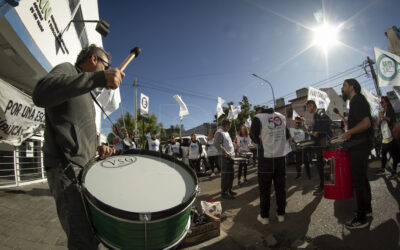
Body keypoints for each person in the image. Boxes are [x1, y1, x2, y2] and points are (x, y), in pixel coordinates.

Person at [32, 44, 124, 249]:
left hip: (84, 170)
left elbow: (78, 131)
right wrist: (99, 79)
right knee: (80, 236)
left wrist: (99, 147)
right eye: (105, 65)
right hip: (65, 169)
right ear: (94, 60)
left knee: (94, 231)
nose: (106, 69)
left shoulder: (86, 92)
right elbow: (40, 93)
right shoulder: (68, 70)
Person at [340, 78, 373, 229]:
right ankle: (366, 209)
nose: (342, 88)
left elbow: (366, 124)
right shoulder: (356, 101)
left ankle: (361, 218)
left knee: (358, 182)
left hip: (359, 146)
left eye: (344, 86)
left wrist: (349, 133)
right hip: (361, 145)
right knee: (362, 179)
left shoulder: (356, 100)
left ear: (352, 87)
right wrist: (350, 126)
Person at [250, 107, 291, 224]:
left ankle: (264, 217)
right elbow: (287, 135)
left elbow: (253, 136)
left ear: (260, 112)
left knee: (264, 189)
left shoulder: (258, 118)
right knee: (280, 188)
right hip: (280, 158)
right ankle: (281, 214)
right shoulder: (281, 117)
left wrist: (261, 139)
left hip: (266, 158)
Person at [306, 100, 332, 195]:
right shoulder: (315, 116)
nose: (307, 109)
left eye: (308, 107)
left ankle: (325, 186)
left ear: (312, 105)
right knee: (321, 166)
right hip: (319, 145)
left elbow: (328, 121)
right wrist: (312, 129)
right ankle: (325, 185)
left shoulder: (320, 112)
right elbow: (319, 127)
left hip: (323, 144)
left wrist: (318, 132)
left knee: (324, 166)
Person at [376, 96, 399, 178]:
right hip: (385, 136)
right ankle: (382, 169)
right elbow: (379, 125)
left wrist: (383, 117)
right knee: (383, 153)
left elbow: (391, 120)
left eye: (382, 102)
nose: (381, 104)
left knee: (394, 154)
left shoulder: (390, 110)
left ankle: (394, 171)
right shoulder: (382, 112)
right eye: (380, 102)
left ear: (387, 102)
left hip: (391, 135)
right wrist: (379, 118)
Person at [214, 119, 237, 199]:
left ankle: (229, 190)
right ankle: (224, 193)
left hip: (230, 157)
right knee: (226, 175)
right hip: (224, 157)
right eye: (229, 125)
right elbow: (216, 144)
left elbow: (228, 143)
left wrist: (234, 146)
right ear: (225, 125)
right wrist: (225, 152)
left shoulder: (226, 132)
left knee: (231, 175)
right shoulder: (219, 132)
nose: (230, 127)